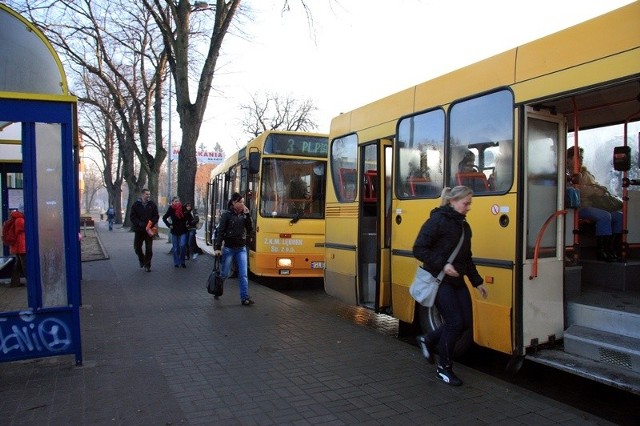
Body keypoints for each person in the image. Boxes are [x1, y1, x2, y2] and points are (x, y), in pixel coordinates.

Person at [412, 186, 488, 386]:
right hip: (439, 281)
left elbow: (466, 258)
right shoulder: (437, 221)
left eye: (470, 203)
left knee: (464, 323)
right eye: (466, 203)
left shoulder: (464, 227)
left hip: (457, 281)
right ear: (453, 201)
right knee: (454, 322)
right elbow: (419, 248)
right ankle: (443, 368)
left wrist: (477, 282)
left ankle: (428, 339)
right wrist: (443, 265)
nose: (469, 207)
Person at [567, 146, 623, 262]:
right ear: (568, 159)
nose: (581, 159)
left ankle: (612, 248)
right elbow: (577, 191)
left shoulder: (585, 173)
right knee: (604, 216)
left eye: (582, 157)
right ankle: (601, 251)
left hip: (593, 205)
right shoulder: (568, 174)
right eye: (577, 157)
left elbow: (595, 185)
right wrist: (594, 190)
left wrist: (598, 189)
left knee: (619, 216)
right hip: (580, 206)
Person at [213, 192, 254, 305]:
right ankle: (217, 289)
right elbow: (220, 232)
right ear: (234, 203)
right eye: (240, 202)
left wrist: (248, 215)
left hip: (241, 248)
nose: (242, 204)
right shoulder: (227, 215)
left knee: (243, 274)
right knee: (225, 273)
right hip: (229, 248)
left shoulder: (245, 215)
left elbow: (250, 229)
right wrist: (217, 247)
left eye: (243, 203)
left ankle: (244, 297)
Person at [130, 188, 159, 272]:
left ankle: (147, 265)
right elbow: (132, 217)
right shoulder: (136, 205)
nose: (148, 196)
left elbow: (156, 216)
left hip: (149, 230)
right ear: (142, 194)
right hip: (139, 230)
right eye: (146, 194)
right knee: (137, 247)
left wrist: (152, 222)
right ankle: (141, 259)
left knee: (149, 249)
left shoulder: (152, 204)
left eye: (149, 194)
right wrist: (139, 223)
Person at [163, 197, 189, 268]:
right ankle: (176, 262)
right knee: (175, 247)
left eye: (178, 201)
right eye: (175, 201)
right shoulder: (171, 209)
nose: (177, 202)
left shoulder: (183, 208)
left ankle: (182, 261)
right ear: (172, 202)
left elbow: (187, 217)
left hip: (183, 230)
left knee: (182, 245)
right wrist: (169, 225)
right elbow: (164, 218)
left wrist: (187, 222)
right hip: (174, 230)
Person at [9, 206, 26, 287]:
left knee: (18, 264)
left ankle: (15, 282)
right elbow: (26, 230)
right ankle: (30, 281)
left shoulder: (16, 218)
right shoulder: (20, 220)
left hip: (18, 245)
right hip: (21, 246)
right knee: (25, 264)